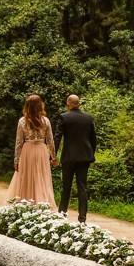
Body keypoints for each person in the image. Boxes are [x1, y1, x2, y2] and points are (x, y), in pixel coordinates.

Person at [6, 94, 58, 207]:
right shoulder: (46, 121)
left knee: (26, 176)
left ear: (27, 106)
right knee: (41, 176)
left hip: (27, 150)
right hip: (41, 150)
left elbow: (19, 142)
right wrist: (53, 157)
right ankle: (41, 202)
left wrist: (16, 160)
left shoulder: (22, 121)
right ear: (40, 105)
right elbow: (50, 140)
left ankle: (25, 201)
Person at [54, 94, 97, 223]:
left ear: (68, 103)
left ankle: (62, 214)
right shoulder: (88, 118)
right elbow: (93, 139)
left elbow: (57, 137)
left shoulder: (64, 117)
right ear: (79, 104)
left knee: (66, 186)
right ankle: (82, 218)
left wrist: (53, 155)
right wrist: (90, 154)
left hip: (69, 157)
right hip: (84, 157)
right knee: (82, 187)